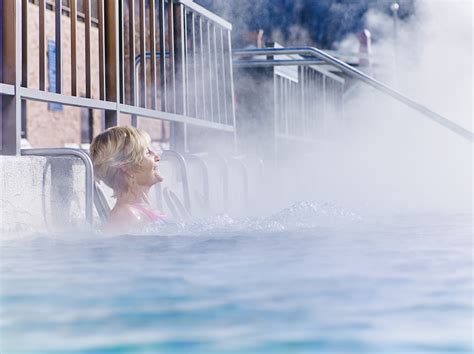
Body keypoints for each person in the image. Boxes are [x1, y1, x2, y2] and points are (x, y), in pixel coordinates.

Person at [90, 126, 166, 231]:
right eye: (147, 153)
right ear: (127, 167)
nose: (157, 157)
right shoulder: (124, 215)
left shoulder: (140, 209)